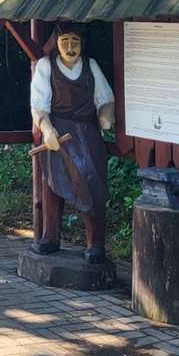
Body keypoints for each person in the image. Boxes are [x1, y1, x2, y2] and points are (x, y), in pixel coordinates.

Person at [30, 22, 115, 263]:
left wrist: (105, 115)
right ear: (56, 43)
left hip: (87, 133)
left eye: (75, 42)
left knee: (92, 183)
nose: (70, 47)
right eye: (65, 41)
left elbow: (105, 98)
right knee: (53, 183)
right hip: (57, 132)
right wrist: (46, 130)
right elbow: (39, 105)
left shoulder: (90, 66)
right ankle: (50, 236)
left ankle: (95, 243)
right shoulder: (46, 66)